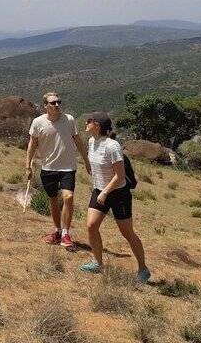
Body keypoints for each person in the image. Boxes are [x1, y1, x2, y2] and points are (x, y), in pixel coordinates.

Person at [80, 112, 151, 283]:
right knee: (91, 226)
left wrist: (105, 192)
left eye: (90, 121)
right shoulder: (91, 142)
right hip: (99, 190)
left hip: (118, 193)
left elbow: (119, 176)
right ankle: (98, 263)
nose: (86, 122)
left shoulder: (112, 146)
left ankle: (143, 269)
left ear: (97, 125)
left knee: (127, 232)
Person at [26, 92, 90, 250]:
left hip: (68, 168)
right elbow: (32, 144)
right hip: (48, 168)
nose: (56, 105)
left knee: (68, 197)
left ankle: (66, 234)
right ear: (45, 106)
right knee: (53, 200)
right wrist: (28, 165)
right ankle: (57, 231)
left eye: (58, 102)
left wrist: (86, 160)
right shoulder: (38, 122)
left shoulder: (69, 119)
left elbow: (78, 140)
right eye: (53, 103)